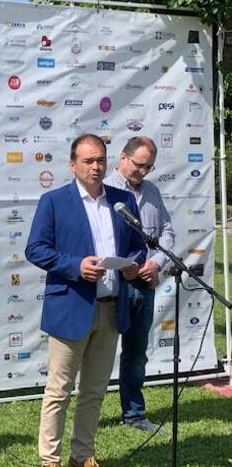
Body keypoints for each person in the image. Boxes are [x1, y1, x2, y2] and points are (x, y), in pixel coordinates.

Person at [25, 134, 146, 467]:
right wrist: (75, 266)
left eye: (101, 160)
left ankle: (82, 457)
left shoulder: (123, 200)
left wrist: (133, 264)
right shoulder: (54, 201)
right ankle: (50, 461)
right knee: (59, 391)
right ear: (72, 164)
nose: (96, 167)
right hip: (71, 307)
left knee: (94, 391)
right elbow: (35, 249)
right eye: (88, 161)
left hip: (111, 309)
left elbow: (137, 245)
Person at [104, 136, 175, 432]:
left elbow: (167, 232)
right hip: (111, 286)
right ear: (123, 157)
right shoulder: (103, 190)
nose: (143, 172)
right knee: (97, 352)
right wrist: (127, 266)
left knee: (136, 353)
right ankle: (86, 416)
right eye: (139, 165)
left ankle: (134, 414)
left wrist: (156, 262)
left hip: (144, 283)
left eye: (149, 167)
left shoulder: (152, 191)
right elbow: (101, 239)